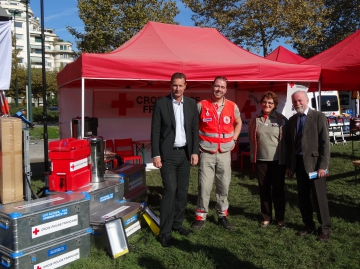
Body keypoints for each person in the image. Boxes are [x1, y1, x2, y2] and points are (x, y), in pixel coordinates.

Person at [151, 72, 199, 247]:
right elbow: (155, 131)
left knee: (182, 191)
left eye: (181, 85)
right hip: (168, 155)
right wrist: (156, 155)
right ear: (170, 85)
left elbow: (194, 130)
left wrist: (195, 152)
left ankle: (177, 224)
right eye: (174, 85)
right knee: (170, 190)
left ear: (186, 86)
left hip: (185, 154)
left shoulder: (192, 104)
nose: (177, 88)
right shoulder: (161, 103)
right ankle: (165, 231)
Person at [192, 76, 242, 230]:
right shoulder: (202, 105)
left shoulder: (232, 106)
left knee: (224, 186)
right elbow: (193, 127)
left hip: (225, 153)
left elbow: (238, 123)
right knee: (204, 186)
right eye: (217, 86)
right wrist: (196, 147)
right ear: (212, 87)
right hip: (206, 152)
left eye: (222, 87)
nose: (219, 89)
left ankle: (222, 215)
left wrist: (234, 139)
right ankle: (201, 216)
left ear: (226, 89)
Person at [285, 90, 331, 242]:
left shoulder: (318, 116)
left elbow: (325, 143)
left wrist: (323, 166)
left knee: (319, 198)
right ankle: (308, 225)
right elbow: (291, 146)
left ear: (307, 100)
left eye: (299, 100)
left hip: (315, 165)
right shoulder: (292, 120)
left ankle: (325, 228)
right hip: (298, 165)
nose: (297, 103)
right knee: (303, 197)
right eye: (294, 101)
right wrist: (290, 166)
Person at [248, 91, 288, 228]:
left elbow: (287, 140)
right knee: (264, 189)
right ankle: (266, 217)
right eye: (265, 102)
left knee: (278, 189)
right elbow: (251, 137)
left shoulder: (282, 119)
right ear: (261, 103)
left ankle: (280, 218)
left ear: (275, 105)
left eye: (270, 102)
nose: (267, 104)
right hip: (261, 160)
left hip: (278, 161)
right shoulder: (255, 119)